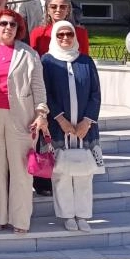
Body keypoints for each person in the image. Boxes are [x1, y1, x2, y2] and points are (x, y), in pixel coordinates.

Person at [0, 8, 49, 234]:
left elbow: (38, 86)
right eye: (3, 24)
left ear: (18, 29)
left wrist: (41, 113)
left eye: (12, 24)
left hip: (22, 117)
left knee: (21, 171)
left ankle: (20, 220)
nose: (7, 28)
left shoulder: (28, 53)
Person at [42, 21, 101, 233]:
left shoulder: (85, 61)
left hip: (85, 128)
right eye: (60, 35)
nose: (65, 38)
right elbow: (46, 93)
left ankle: (83, 215)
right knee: (62, 173)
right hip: (59, 126)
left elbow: (95, 93)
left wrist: (87, 121)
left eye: (69, 34)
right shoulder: (47, 61)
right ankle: (67, 215)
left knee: (84, 171)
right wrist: (61, 120)